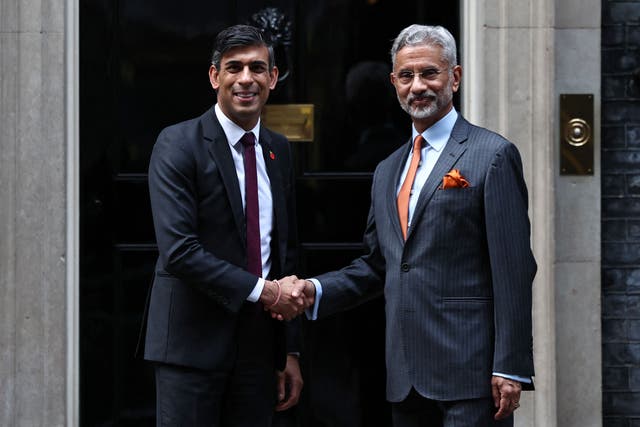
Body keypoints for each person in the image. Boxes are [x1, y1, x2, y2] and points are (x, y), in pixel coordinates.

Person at [294, 24, 537, 426]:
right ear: (394, 83)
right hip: (406, 377)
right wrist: (313, 289)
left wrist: (510, 366)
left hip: (472, 377)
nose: (418, 86)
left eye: (430, 73)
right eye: (406, 76)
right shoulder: (388, 170)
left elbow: (514, 269)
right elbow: (379, 265)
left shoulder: (492, 155)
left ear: (454, 77)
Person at [139, 24, 310, 426]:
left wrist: (290, 350)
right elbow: (180, 251)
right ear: (216, 76)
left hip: (258, 351)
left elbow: (285, 251)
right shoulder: (177, 143)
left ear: (273, 77)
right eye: (234, 68)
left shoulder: (278, 150)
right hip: (191, 348)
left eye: (257, 67)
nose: (246, 79)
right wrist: (267, 293)